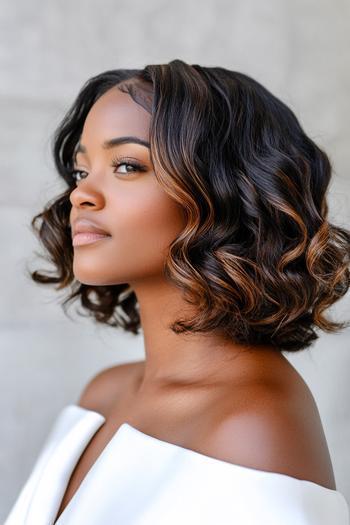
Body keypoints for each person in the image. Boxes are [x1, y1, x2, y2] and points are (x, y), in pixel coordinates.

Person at [4, 59, 350, 524]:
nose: (80, 195)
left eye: (127, 165)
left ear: (225, 189)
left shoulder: (252, 427)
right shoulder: (100, 397)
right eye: (82, 171)